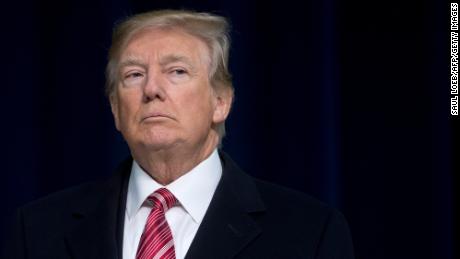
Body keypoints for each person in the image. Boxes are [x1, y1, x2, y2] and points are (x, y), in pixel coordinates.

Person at [1, 9, 354, 259]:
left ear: (221, 101)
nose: (152, 88)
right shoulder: (37, 229)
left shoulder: (310, 232)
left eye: (177, 71)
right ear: (114, 109)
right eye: (134, 75)